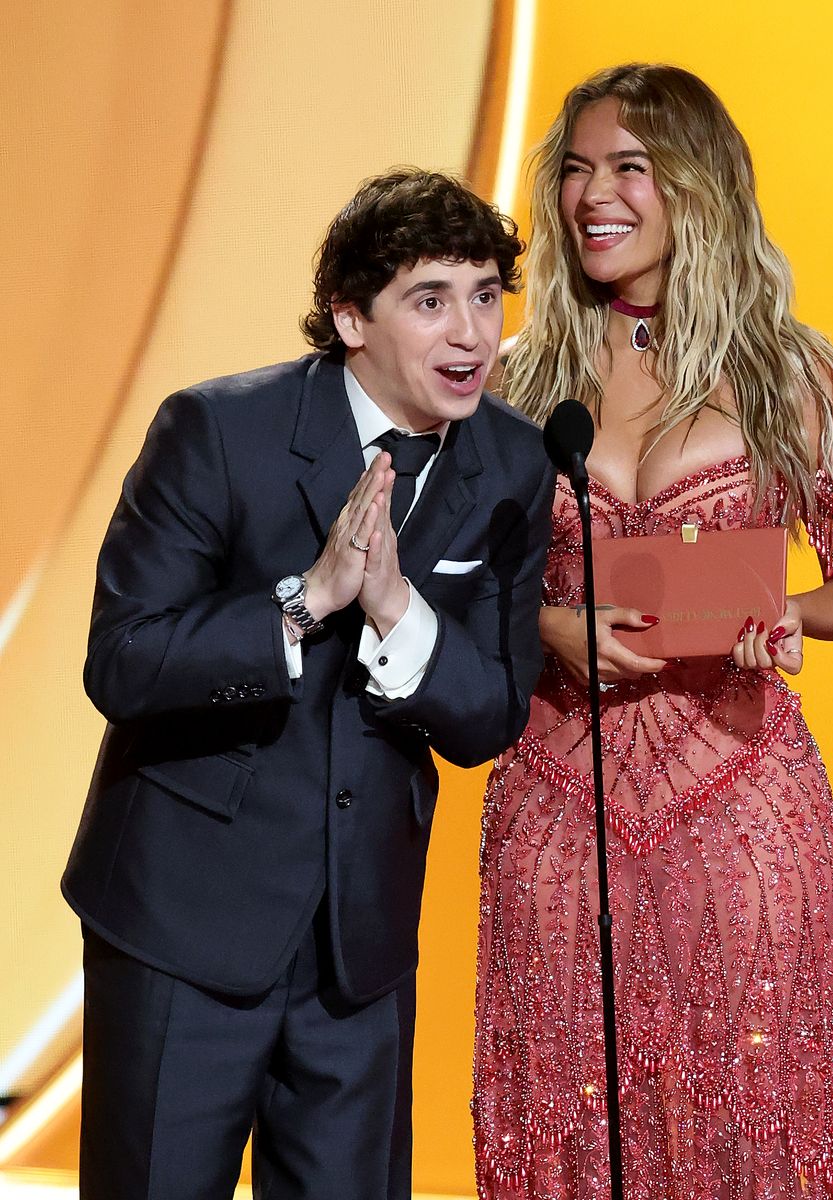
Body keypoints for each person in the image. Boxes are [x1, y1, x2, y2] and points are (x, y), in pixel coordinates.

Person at [62, 168, 554, 1200]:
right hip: (182, 928)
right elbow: (126, 659)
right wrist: (306, 599)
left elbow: (487, 716)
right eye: (431, 300)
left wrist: (399, 613)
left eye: (484, 295)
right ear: (349, 316)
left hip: (358, 953)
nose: (470, 333)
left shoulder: (512, 465)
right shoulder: (216, 432)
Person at [473, 65, 833, 1200]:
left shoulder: (794, 374)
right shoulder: (519, 383)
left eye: (627, 166)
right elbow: (451, 588)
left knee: (755, 1130)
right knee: (567, 1133)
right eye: (573, 169)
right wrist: (552, 624)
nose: (593, 195)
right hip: (558, 813)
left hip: (744, 810)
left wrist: (786, 613)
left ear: (696, 184)